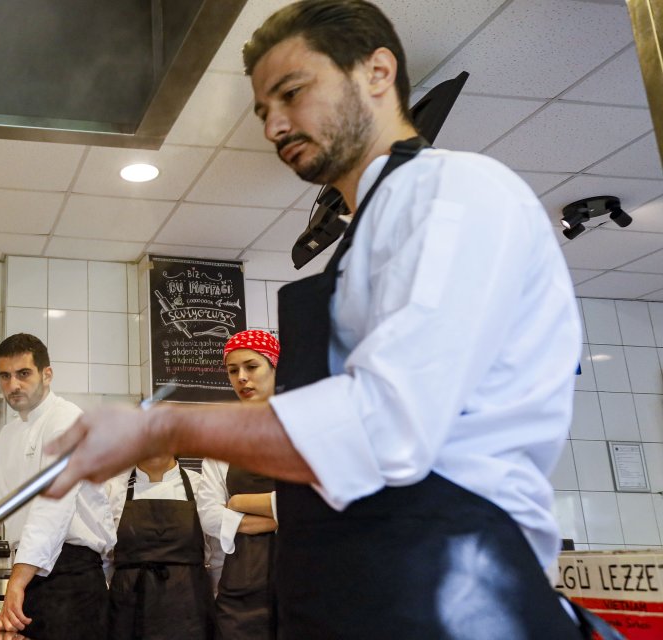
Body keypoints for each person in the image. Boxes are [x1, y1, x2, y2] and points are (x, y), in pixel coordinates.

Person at [43, 1, 589, 637]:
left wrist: (157, 426)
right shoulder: (363, 245)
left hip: (460, 598)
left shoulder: (454, 193)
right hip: (360, 599)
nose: (274, 124)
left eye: (292, 92)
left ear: (377, 72)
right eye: (262, 110)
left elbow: (383, 427)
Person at [0, 334, 114, 639]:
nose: (13, 384)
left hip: (74, 577)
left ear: (47, 374)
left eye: (23, 373)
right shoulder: (9, 436)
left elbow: (52, 505)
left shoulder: (67, 420)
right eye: (5, 375)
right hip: (32, 578)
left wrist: (16, 581)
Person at [197, 330, 280, 640]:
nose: (242, 378)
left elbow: (319, 502)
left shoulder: (304, 429)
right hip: (242, 586)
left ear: (274, 366)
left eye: (251, 367)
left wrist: (237, 503)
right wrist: (276, 515)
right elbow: (208, 514)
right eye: (233, 371)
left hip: (303, 578)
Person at [106, 452, 215, 639]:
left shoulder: (201, 486)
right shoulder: (112, 489)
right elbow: (103, 560)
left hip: (191, 611)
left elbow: (218, 556)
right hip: (127, 612)